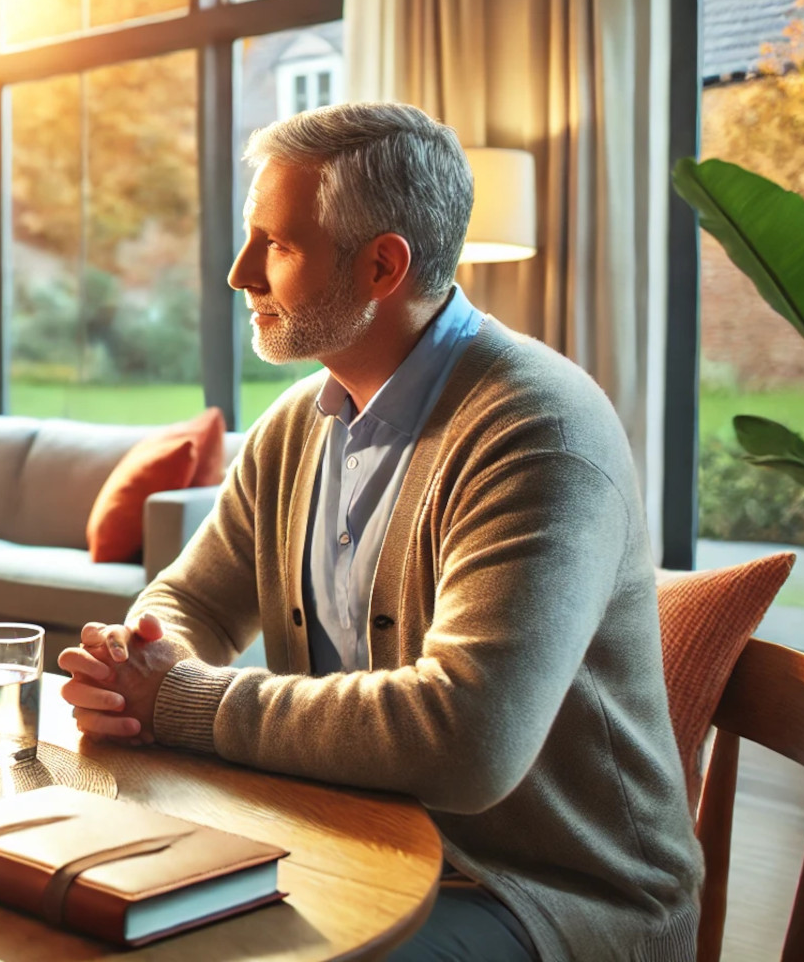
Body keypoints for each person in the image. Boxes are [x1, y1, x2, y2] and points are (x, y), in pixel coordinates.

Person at [59, 103, 702, 961]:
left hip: (547, 897)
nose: (238, 272)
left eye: (277, 246)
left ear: (382, 266)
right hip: (352, 841)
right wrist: (142, 656)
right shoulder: (297, 423)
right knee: (97, 909)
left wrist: (176, 699)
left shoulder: (536, 432)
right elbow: (192, 598)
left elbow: (469, 737)